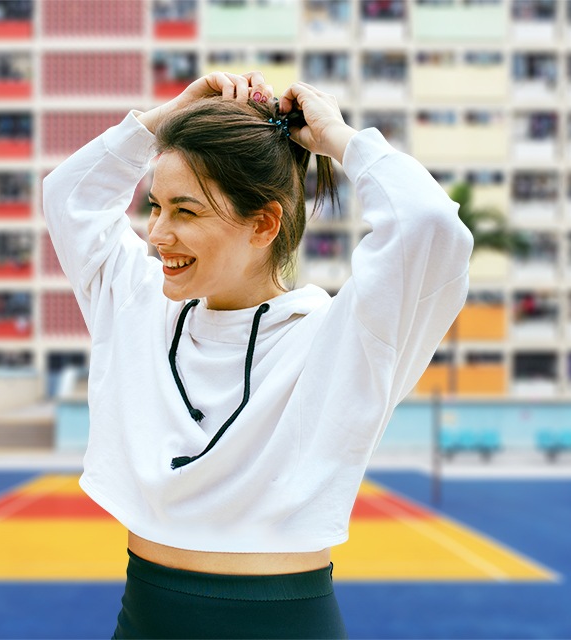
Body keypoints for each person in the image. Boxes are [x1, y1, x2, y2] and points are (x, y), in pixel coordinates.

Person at [43, 71, 473, 639]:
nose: (156, 234)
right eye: (155, 206)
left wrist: (339, 137)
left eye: (186, 212)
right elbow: (68, 196)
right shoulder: (135, 306)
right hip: (146, 616)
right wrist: (164, 120)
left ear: (265, 222)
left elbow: (431, 224)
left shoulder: (343, 336)